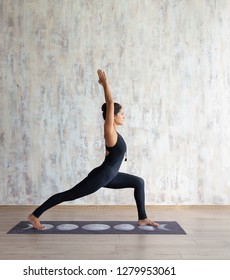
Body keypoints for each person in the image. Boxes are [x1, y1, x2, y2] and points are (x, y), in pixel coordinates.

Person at [28, 69, 158, 230]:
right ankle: (34, 215)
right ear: (113, 116)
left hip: (110, 175)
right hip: (101, 176)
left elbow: (113, 154)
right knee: (69, 195)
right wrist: (105, 84)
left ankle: (143, 218)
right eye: (122, 114)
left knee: (138, 182)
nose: (124, 116)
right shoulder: (109, 130)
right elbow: (110, 103)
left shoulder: (116, 133)